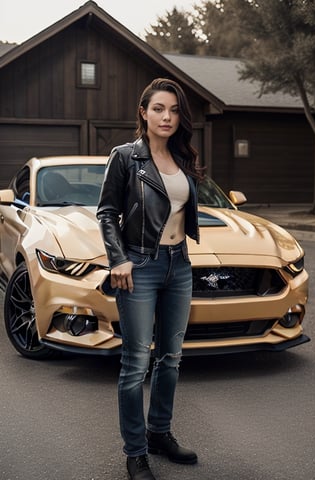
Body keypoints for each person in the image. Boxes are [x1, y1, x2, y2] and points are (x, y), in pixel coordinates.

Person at [97, 78, 202, 480]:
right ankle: (135, 451)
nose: (167, 117)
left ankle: (160, 433)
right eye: (159, 109)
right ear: (143, 112)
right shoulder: (126, 157)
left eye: (174, 110)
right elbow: (106, 212)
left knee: (171, 358)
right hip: (139, 266)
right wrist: (118, 259)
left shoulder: (182, 157)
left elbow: (180, 210)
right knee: (136, 362)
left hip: (180, 265)